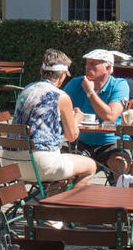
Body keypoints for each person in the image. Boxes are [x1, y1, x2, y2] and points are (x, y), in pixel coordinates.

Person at [8, 49, 94, 189]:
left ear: (41, 71)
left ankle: (51, 202)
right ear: (62, 75)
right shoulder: (61, 96)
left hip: (10, 163)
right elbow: (72, 136)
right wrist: (77, 118)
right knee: (90, 166)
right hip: (40, 164)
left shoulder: (26, 90)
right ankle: (69, 208)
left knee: (60, 167)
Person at [64, 48, 132, 181]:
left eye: (93, 64)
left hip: (111, 142)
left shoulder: (119, 85)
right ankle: (58, 199)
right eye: (87, 63)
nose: (88, 67)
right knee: (60, 161)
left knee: (120, 163)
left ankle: (119, 198)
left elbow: (110, 116)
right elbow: (59, 108)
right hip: (81, 142)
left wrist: (90, 92)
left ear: (108, 68)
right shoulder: (75, 84)